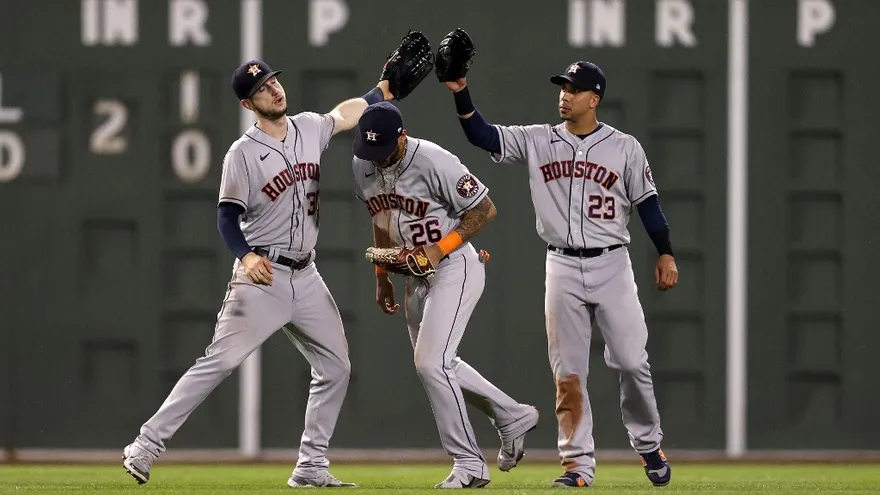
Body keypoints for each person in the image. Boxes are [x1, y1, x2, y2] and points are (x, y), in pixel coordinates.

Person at [121, 59, 396, 488]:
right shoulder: (243, 154)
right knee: (219, 361)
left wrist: (381, 92)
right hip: (262, 275)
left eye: (273, 81)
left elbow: (344, 114)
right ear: (249, 103)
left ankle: (310, 466)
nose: (274, 89)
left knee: (336, 367)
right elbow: (227, 217)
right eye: (263, 88)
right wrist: (246, 256)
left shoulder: (307, 127)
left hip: (306, 276)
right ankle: (146, 444)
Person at [441, 60, 679, 488]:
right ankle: (576, 466)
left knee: (631, 360)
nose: (565, 94)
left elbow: (648, 204)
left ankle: (648, 443)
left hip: (612, 263)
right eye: (563, 87)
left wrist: (665, 253)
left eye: (575, 88)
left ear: (595, 98)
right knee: (568, 373)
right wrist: (461, 91)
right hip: (562, 265)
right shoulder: (538, 140)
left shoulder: (624, 147)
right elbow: (482, 134)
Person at [351, 101, 540, 489]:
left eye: (384, 147)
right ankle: (512, 415)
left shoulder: (434, 160)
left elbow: (484, 210)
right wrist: (381, 274)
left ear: (401, 137)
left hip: (454, 266)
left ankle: (470, 463)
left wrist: (439, 249)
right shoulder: (363, 161)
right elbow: (381, 219)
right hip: (412, 277)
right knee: (440, 364)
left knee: (430, 364)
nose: (377, 157)